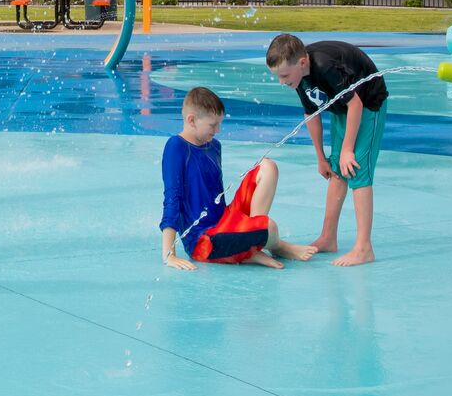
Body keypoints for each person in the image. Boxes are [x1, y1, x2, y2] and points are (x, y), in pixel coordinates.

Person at [159, 86, 316, 271]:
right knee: (270, 228)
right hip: (204, 241)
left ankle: (253, 246)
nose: (217, 130)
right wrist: (169, 254)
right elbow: (172, 198)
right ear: (191, 120)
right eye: (212, 125)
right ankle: (277, 246)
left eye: (219, 124)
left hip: (224, 220)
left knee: (268, 167)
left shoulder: (214, 146)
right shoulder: (176, 147)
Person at [266, 33, 385, 267]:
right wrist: (321, 158)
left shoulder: (324, 65)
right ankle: (328, 237)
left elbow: (356, 103)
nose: (282, 82)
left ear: (301, 63)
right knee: (336, 168)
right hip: (344, 109)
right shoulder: (299, 77)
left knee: (355, 168)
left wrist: (348, 149)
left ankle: (364, 248)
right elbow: (311, 114)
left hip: (369, 103)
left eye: (284, 76)